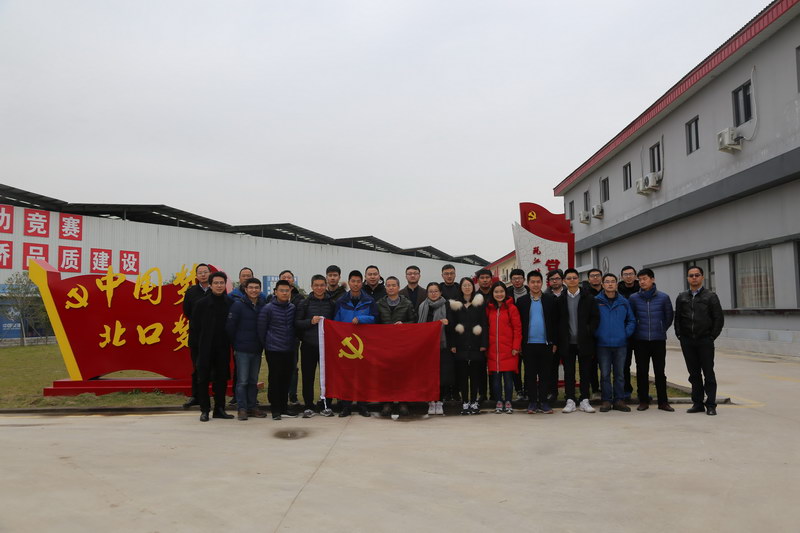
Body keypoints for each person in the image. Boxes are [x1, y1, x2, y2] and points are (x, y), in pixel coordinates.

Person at [674, 266, 724, 416]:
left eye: (697, 275)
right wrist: (680, 335)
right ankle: (697, 403)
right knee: (694, 374)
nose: (694, 278)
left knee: (708, 373)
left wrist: (711, 336)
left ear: (702, 277)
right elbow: (677, 318)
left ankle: (711, 404)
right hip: (687, 341)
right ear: (687, 278)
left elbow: (718, 319)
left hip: (705, 341)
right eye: (691, 275)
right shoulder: (682, 297)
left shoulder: (711, 296)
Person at [628, 268, 674, 412]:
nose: (642, 282)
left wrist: (661, 328)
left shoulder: (663, 297)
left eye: (645, 279)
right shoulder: (633, 298)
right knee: (642, 371)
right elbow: (631, 318)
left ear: (652, 279)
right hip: (640, 340)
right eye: (640, 280)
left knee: (660, 371)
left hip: (658, 340)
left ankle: (663, 402)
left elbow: (669, 317)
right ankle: (643, 400)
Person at [190, 271, 234, 422]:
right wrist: (198, 347)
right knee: (203, 379)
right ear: (210, 285)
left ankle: (219, 409)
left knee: (221, 379)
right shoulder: (201, 304)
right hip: (205, 347)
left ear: (225, 284)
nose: (219, 285)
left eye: (221, 283)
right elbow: (194, 328)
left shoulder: (230, 303)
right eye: (216, 283)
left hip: (223, 347)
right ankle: (204, 410)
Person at [334, 270, 377, 417]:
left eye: (358, 281)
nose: (356, 284)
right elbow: (336, 322)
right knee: (346, 375)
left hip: (363, 344)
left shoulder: (369, 300)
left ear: (362, 282)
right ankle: (346, 406)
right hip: (346, 345)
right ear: (349, 282)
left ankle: (362, 405)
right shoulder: (341, 301)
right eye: (353, 281)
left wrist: (361, 319)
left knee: (362, 376)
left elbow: (375, 318)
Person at [516, 271, 559, 414]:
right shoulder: (521, 301)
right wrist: (519, 344)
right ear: (528, 283)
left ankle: (544, 402)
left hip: (546, 344)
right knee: (530, 374)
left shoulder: (550, 300)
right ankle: (533, 402)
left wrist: (554, 342)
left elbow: (555, 323)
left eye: (538, 282)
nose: (535, 285)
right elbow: (518, 324)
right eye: (532, 282)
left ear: (542, 283)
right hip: (528, 344)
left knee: (545, 374)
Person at [558, 268, 600, 414]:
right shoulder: (560, 299)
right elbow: (557, 321)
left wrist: (588, 331)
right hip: (567, 342)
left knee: (585, 372)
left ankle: (584, 400)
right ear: (564, 281)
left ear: (579, 280)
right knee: (569, 372)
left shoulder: (588, 298)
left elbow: (595, 318)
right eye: (569, 278)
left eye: (574, 278)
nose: (572, 280)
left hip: (585, 341)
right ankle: (570, 399)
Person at [294, 274, 336, 418]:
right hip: (309, 345)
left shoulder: (332, 303)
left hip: (326, 347)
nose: (319, 288)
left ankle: (326, 405)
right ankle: (308, 406)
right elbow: (297, 323)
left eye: (322, 285)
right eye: (316, 285)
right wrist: (310, 322)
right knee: (308, 376)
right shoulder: (304, 303)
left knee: (327, 377)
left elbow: (336, 323)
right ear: (311, 286)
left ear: (326, 286)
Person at [226, 278, 267, 420]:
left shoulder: (262, 305)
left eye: (256, 287)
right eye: (251, 287)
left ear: (260, 289)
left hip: (257, 348)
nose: (254, 290)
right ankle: (242, 409)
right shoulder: (238, 305)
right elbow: (230, 327)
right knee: (242, 381)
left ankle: (252, 407)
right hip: (242, 349)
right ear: (245, 289)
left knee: (252, 380)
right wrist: (236, 344)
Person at [257, 280, 298, 420]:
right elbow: (261, 330)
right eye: (281, 290)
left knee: (286, 379)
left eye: (287, 290)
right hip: (273, 349)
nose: (284, 293)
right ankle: (275, 409)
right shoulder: (267, 308)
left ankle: (284, 407)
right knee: (275, 379)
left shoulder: (292, 308)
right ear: (275, 292)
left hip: (289, 349)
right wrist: (268, 344)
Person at [377, 276, 417, 417]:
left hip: (402, 345)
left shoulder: (407, 303)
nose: (391, 287)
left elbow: (414, 321)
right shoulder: (379, 304)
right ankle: (387, 403)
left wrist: (404, 325)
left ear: (398, 287)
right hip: (385, 345)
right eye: (388, 285)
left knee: (403, 374)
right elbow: (375, 324)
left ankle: (403, 402)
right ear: (385, 287)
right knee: (386, 375)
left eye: (393, 285)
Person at [594, 273, 636, 413]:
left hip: (620, 344)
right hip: (602, 344)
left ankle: (619, 400)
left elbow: (631, 320)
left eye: (613, 281)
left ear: (617, 284)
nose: (610, 284)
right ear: (603, 284)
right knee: (605, 374)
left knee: (619, 374)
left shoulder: (624, 302)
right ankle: (606, 400)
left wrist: (625, 334)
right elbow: (590, 320)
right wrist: (597, 334)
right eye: (607, 282)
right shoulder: (596, 301)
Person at [447, 277, 487, 415]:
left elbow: (484, 324)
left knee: (475, 375)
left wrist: (483, 343)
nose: (467, 287)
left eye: (469, 285)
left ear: (473, 287)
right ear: (460, 288)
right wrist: (452, 344)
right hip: (460, 344)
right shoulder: (455, 305)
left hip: (476, 344)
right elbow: (451, 326)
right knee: (462, 376)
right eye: (464, 285)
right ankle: (465, 402)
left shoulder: (479, 303)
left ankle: (474, 401)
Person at [268, 270, 304, 407]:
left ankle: (292, 396)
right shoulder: (270, 300)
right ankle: (275, 401)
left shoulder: (299, 298)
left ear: (293, 281)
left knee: (292, 369)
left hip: (292, 340)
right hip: (275, 342)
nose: (287, 279)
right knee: (276, 372)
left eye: (289, 277)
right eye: (284, 277)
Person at [486, 282, 522, 414]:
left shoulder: (512, 308)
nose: (499, 294)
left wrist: (516, 346)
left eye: (501, 291)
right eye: (496, 292)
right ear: (492, 294)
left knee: (508, 378)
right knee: (495, 379)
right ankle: (498, 401)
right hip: (493, 350)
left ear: (505, 293)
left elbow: (517, 329)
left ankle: (508, 401)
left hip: (509, 350)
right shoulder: (489, 309)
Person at [418, 282, 451, 416]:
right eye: (431, 291)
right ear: (427, 293)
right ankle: (431, 401)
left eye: (436, 291)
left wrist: (447, 323)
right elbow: (418, 325)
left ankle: (440, 401)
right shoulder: (422, 306)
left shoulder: (446, 305)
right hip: (427, 346)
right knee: (428, 375)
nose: (433, 293)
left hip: (442, 345)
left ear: (440, 292)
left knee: (441, 375)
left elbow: (453, 323)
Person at [182, 263, 211, 409]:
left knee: (213, 367)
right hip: (196, 336)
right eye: (200, 272)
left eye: (205, 272)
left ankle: (211, 396)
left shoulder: (216, 289)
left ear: (210, 274)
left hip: (213, 336)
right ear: (196, 275)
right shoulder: (191, 291)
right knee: (197, 367)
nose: (203, 275)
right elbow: (187, 312)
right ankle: (196, 396)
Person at [617, 265, 640, 402]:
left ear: (635, 276)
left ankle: (642, 392)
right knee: (624, 365)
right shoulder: (616, 292)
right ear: (621, 277)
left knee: (641, 364)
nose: (628, 276)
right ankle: (626, 390)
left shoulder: (642, 289)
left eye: (631, 274)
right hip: (623, 333)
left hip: (640, 333)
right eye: (625, 274)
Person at [507, 268, 529, 400]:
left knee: (529, 365)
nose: (517, 281)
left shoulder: (530, 291)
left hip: (527, 333)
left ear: (524, 279)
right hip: (512, 334)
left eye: (519, 278)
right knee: (515, 365)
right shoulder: (507, 293)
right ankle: (519, 390)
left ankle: (527, 390)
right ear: (511, 280)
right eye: (514, 278)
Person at [474, 268, 494, 402]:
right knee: (480, 367)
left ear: (491, 279)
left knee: (493, 367)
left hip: (494, 335)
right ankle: (482, 394)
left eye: (487, 277)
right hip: (479, 337)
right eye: (482, 278)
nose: (485, 280)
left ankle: (494, 394)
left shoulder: (497, 293)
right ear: (478, 280)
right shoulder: (474, 297)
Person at [545, 269, 564, 403]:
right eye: (552, 279)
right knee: (552, 367)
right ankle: (552, 392)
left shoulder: (569, 294)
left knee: (569, 366)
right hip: (553, 337)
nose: (555, 281)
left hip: (568, 336)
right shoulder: (545, 296)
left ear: (562, 280)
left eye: (557, 278)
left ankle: (570, 394)